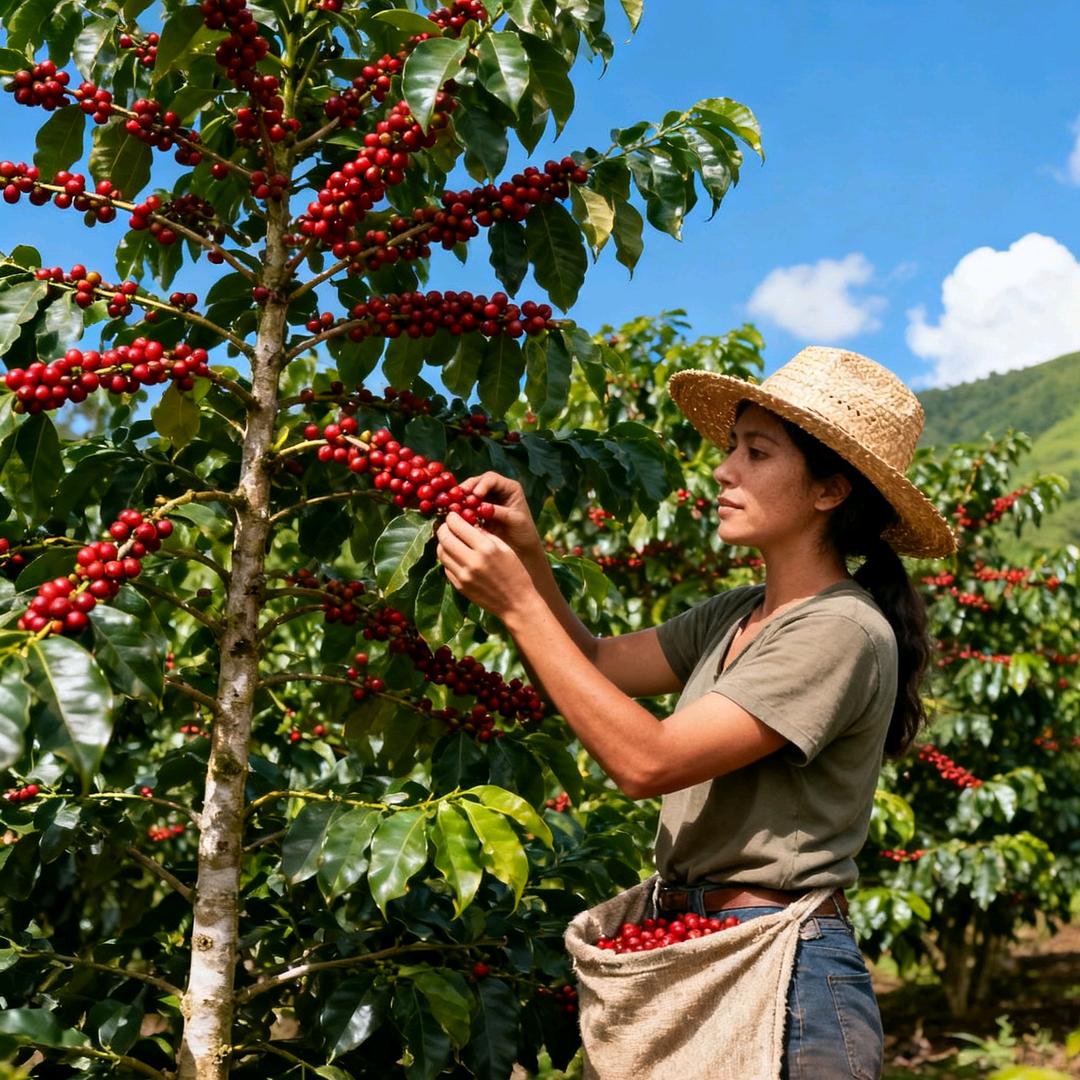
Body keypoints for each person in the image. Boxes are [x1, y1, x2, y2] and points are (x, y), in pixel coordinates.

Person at [435, 345, 955, 1080]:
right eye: (733, 447)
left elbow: (649, 761)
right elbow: (597, 662)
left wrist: (516, 603)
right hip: (691, 942)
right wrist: (529, 557)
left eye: (756, 452)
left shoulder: (840, 629)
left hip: (777, 964)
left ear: (829, 490)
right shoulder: (740, 613)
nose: (724, 470)